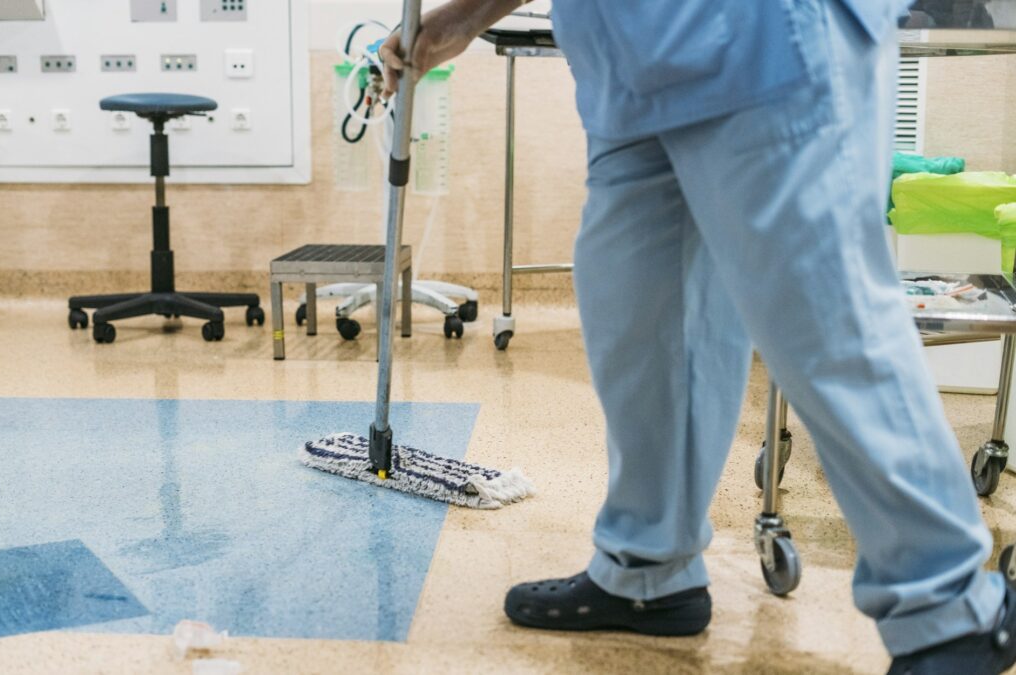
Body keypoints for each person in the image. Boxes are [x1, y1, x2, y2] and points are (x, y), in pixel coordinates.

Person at [380, 1, 1016, 672]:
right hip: (629, 57)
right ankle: (648, 570)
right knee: (639, 317)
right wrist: (466, 17)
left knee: (819, 309)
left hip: (753, 31)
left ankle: (949, 610)